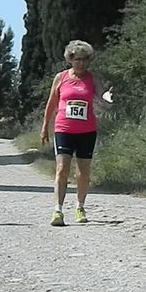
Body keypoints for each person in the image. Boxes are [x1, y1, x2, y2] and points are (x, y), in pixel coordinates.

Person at [40, 40, 113, 226]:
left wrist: (108, 98)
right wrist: (44, 127)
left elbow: (102, 96)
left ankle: (80, 206)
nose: (80, 63)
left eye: (84, 59)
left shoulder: (92, 78)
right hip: (64, 128)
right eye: (76, 59)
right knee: (62, 168)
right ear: (70, 60)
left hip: (87, 130)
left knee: (83, 171)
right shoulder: (61, 77)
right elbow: (51, 103)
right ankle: (58, 210)